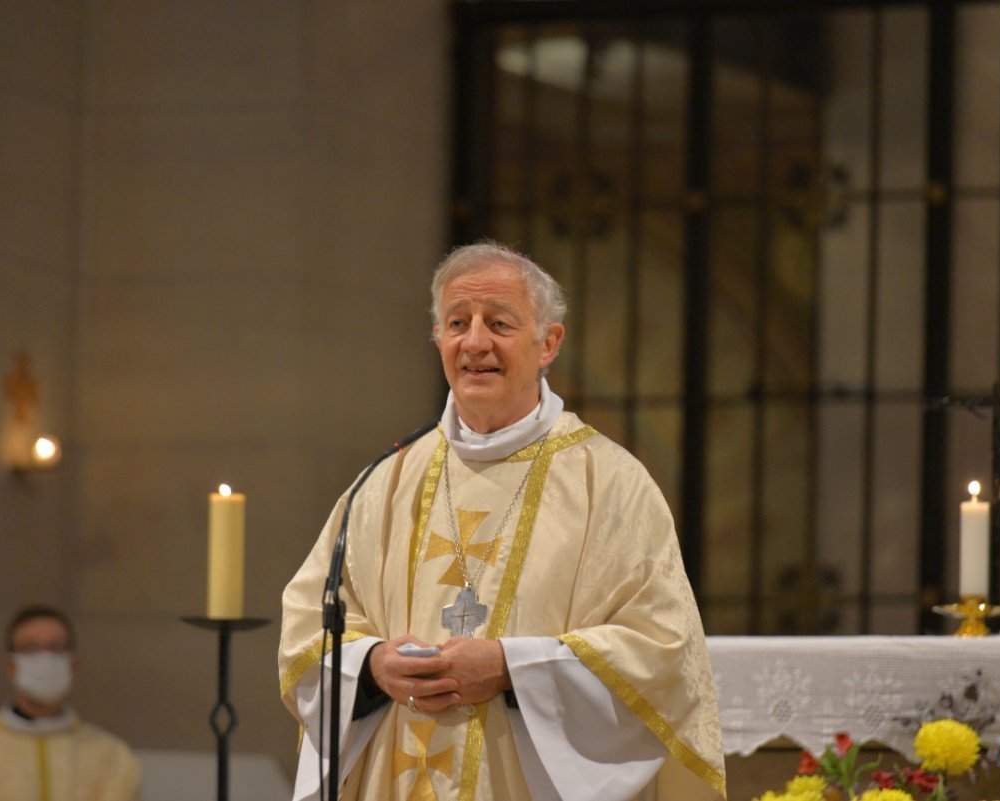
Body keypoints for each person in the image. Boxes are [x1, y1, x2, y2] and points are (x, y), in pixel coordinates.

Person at [278, 241, 726, 801]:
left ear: (549, 343)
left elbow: (662, 654)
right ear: (438, 339)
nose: (475, 343)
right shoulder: (384, 483)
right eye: (457, 322)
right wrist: (372, 666)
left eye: (499, 323)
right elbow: (306, 631)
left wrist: (513, 667)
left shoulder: (609, 484)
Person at [0, 604, 141, 801]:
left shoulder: (113, 757)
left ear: (73, 664)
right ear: (11, 667)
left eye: (56, 647)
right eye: (31, 648)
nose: (45, 658)